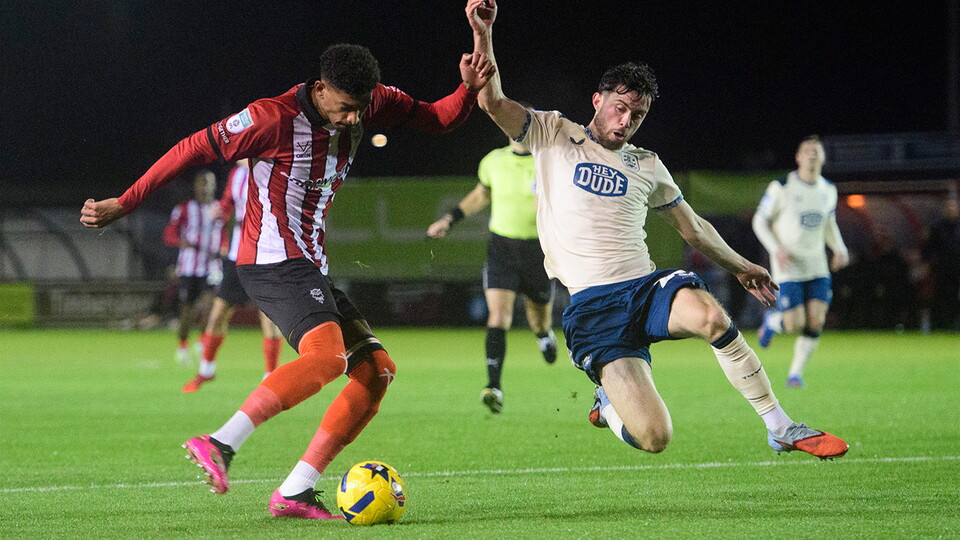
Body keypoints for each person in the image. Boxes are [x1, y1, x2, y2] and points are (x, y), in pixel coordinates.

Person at [81, 41, 495, 519]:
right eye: (344, 109)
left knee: (375, 371)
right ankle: (220, 442)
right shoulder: (269, 119)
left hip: (309, 263)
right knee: (327, 359)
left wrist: (467, 88)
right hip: (270, 259)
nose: (354, 120)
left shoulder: (370, 101)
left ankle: (295, 491)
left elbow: (436, 118)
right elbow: (191, 148)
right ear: (319, 90)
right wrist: (127, 201)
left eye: (360, 110)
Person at [466, 0, 847, 460]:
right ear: (598, 101)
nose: (625, 122)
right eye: (620, 108)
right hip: (591, 309)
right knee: (655, 438)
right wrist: (482, 32)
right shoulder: (552, 133)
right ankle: (608, 408)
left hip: (645, 290)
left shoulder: (646, 163)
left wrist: (745, 266)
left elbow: (693, 228)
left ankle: (780, 425)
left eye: (637, 115)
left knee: (712, 317)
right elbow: (491, 100)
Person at [427, 138, 557, 413]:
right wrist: (449, 220)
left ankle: (544, 334)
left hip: (539, 249)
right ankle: (494, 386)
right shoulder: (493, 161)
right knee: (498, 316)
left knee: (539, 313)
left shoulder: (547, 160)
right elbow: (480, 195)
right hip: (503, 248)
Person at [752, 136, 850, 388]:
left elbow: (829, 223)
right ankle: (772, 322)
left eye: (817, 151)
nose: (812, 155)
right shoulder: (782, 186)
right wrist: (777, 249)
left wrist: (839, 248)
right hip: (789, 266)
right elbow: (759, 221)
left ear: (824, 157)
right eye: (807, 151)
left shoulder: (828, 189)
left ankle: (795, 374)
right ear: (798, 157)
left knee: (816, 321)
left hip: (817, 264)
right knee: (795, 323)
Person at [181, 159, 284, 393]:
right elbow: (228, 203)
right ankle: (206, 371)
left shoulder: (271, 169)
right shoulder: (236, 174)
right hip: (238, 252)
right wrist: (221, 211)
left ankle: (271, 376)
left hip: (265, 252)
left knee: (267, 316)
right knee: (218, 314)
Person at [162, 169, 224, 366]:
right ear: (196, 186)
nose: (206, 187)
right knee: (187, 312)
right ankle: (182, 345)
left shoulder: (220, 208)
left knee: (209, 307)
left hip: (212, 267)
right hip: (189, 268)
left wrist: (223, 247)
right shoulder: (184, 209)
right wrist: (182, 242)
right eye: (202, 182)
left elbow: (225, 234)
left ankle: (202, 342)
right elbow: (169, 234)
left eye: (209, 182)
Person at [921, 197, 960, 330]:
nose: (952, 210)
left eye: (954, 207)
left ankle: (955, 323)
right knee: (940, 296)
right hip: (942, 269)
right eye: (949, 208)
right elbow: (928, 248)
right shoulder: (937, 228)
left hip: (957, 269)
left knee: (956, 297)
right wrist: (926, 263)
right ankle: (940, 324)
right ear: (945, 210)